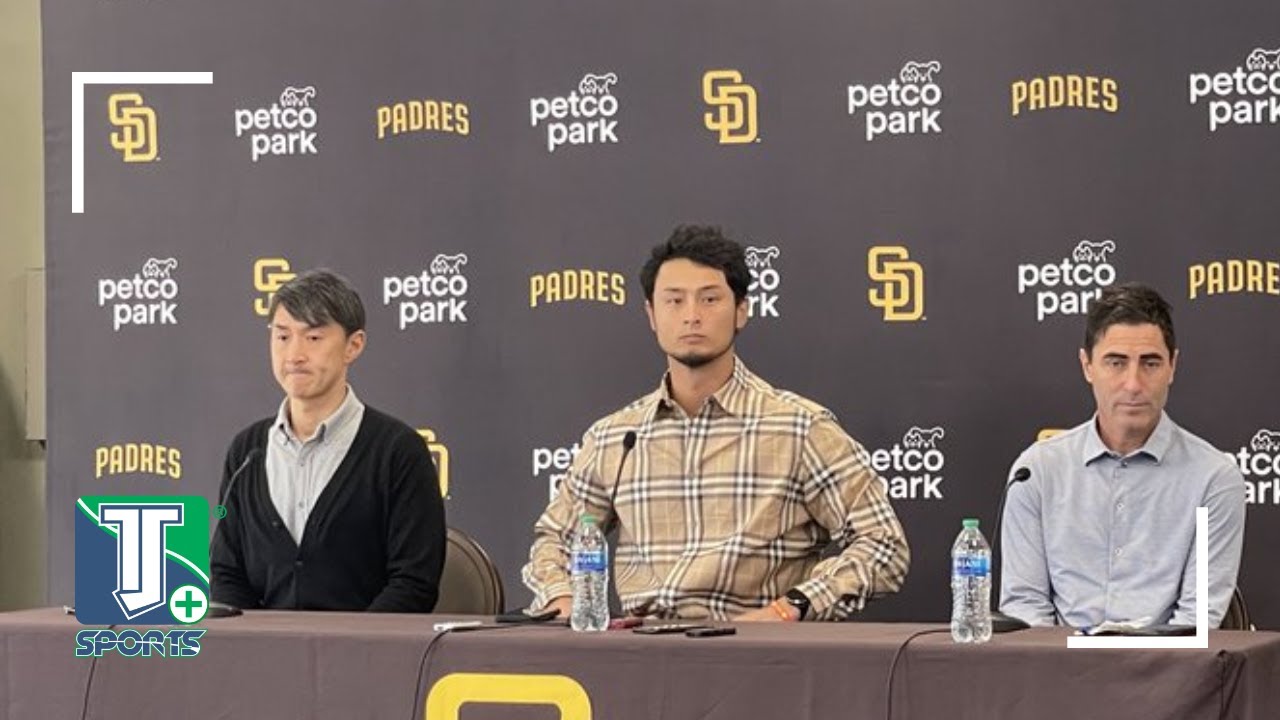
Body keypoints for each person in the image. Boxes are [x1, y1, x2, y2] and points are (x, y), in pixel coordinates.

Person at [522, 225, 910, 622]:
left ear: (741, 310)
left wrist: (789, 609)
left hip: (754, 647)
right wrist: (563, 599)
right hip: (640, 647)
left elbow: (883, 545)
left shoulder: (799, 428)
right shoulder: (614, 437)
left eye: (709, 299)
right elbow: (555, 539)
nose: (692, 316)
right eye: (674, 301)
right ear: (651, 315)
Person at [1000, 283, 1246, 628]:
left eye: (1150, 363)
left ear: (1172, 366)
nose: (1133, 384)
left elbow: (1198, 619)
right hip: (1057, 659)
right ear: (1087, 366)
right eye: (1116, 363)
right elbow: (1024, 605)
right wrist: (1065, 659)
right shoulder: (1036, 471)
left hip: (1168, 662)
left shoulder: (1214, 479)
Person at [211, 269, 445, 611]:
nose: (294, 355)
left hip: (372, 645)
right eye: (282, 336)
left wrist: (349, 642)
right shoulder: (246, 451)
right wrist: (256, 638)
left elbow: (414, 583)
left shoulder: (398, 451)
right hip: (262, 644)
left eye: (314, 338)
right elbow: (226, 572)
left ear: (354, 345)